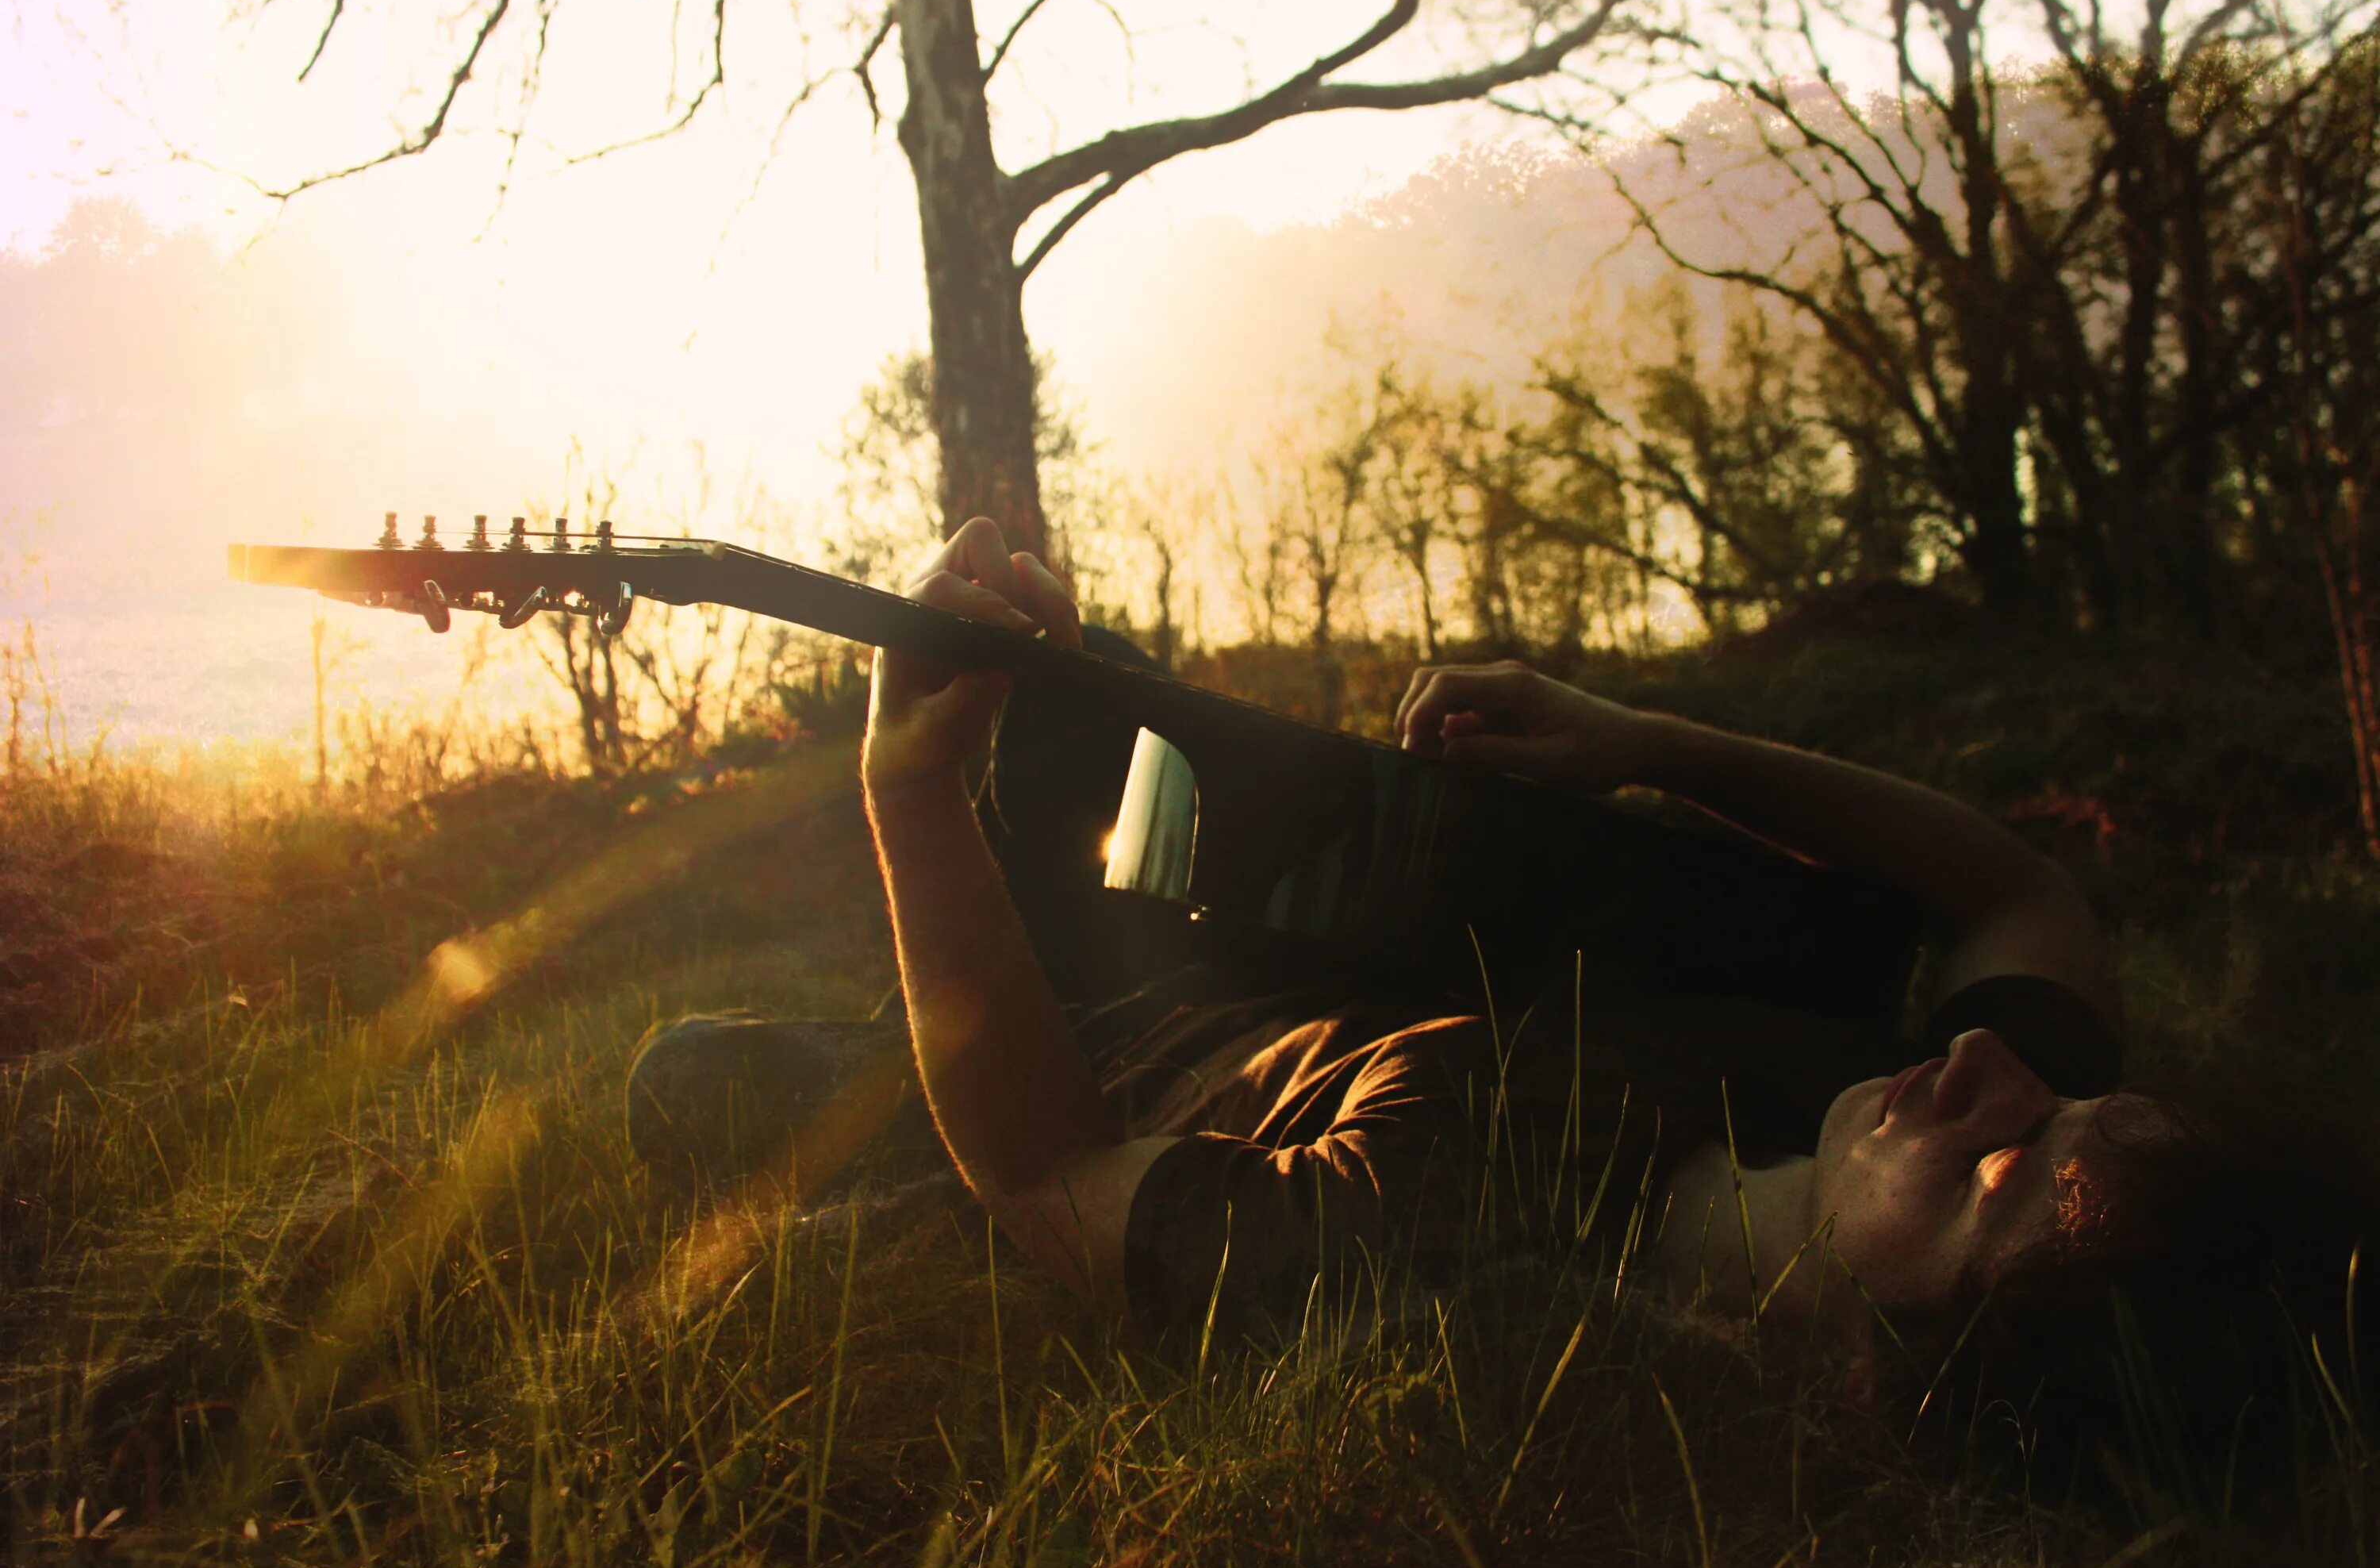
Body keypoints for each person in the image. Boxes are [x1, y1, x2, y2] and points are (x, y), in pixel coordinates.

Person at [630, 517, 2378, 1508]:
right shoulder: (1906, 1086)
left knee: (679, 1080)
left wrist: (909, 798)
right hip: (1209, 938)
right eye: (2061, 1104)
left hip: (1074, 1054)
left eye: (2003, 1180)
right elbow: (2020, 895)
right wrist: (1633, 739)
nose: (1997, 1076)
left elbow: (1042, 1171)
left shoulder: (1432, 1235)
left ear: (1909, 1358)